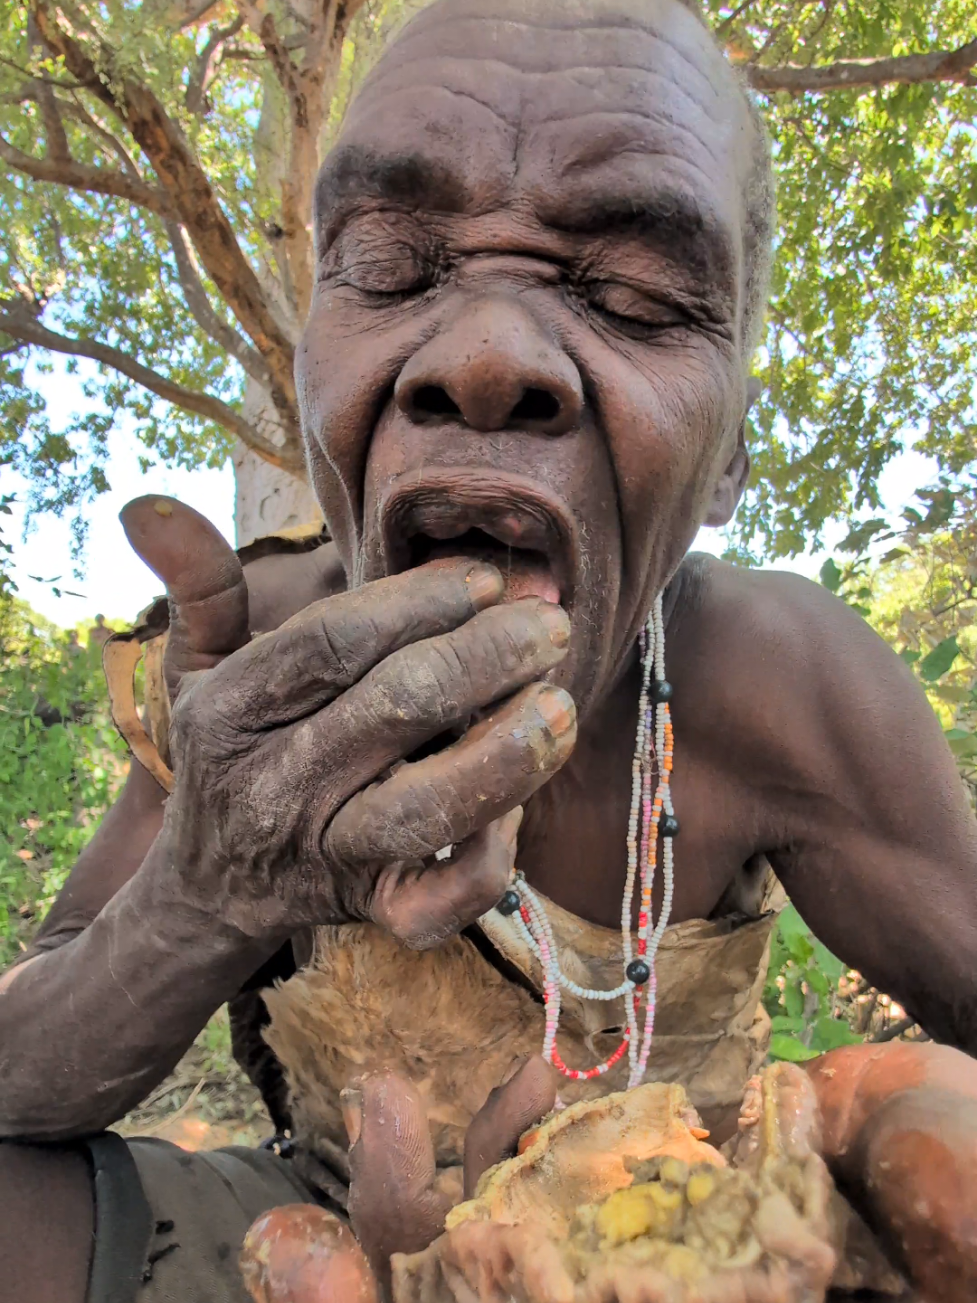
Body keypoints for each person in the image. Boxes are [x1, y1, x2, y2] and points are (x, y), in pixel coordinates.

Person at [2, 0, 977, 1299]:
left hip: (688, 1234)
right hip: (313, 1225)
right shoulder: (256, 651)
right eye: (394, 266)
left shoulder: (786, 681)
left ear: (733, 451)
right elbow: (20, 1076)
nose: (483, 356)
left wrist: (874, 1142)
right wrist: (210, 888)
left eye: (633, 294)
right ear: (310, 381)